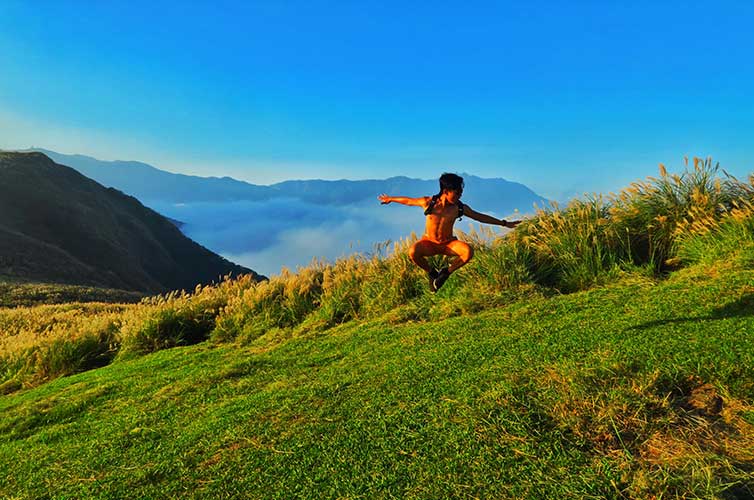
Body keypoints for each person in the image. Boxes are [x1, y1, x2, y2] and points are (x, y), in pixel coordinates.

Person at [378, 173, 521, 292]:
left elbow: (479, 217)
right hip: (429, 243)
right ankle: (432, 273)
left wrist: (504, 223)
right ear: (446, 191)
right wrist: (390, 199)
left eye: (461, 193)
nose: (459, 196)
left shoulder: (459, 208)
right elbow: (408, 201)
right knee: (412, 252)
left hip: (448, 243)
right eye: (457, 193)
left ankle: (445, 273)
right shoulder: (428, 203)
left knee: (468, 252)